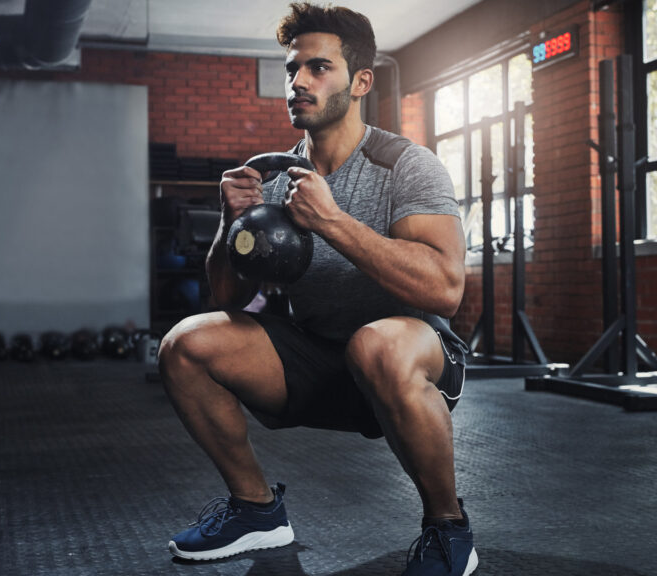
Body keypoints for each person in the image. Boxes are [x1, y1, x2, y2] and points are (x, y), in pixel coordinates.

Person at [159, 3, 476, 575]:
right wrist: (233, 223)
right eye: (292, 69)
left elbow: (446, 290)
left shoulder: (406, 165)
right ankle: (256, 509)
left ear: (360, 82)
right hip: (320, 357)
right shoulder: (276, 178)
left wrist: (333, 222)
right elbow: (227, 299)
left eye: (319, 68)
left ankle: (449, 528)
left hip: (411, 358)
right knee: (186, 343)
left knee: (376, 343)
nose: (299, 81)